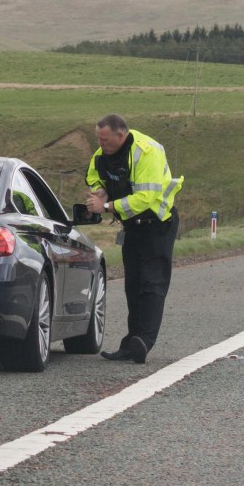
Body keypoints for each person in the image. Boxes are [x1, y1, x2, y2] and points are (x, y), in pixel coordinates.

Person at [84, 114, 183, 364]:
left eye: (105, 140)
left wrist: (105, 206)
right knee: (133, 285)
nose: (101, 144)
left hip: (157, 224)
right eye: (98, 139)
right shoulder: (102, 152)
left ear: (121, 135)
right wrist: (99, 188)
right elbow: (93, 174)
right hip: (132, 227)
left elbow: (145, 199)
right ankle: (132, 341)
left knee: (152, 283)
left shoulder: (146, 152)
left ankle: (144, 341)